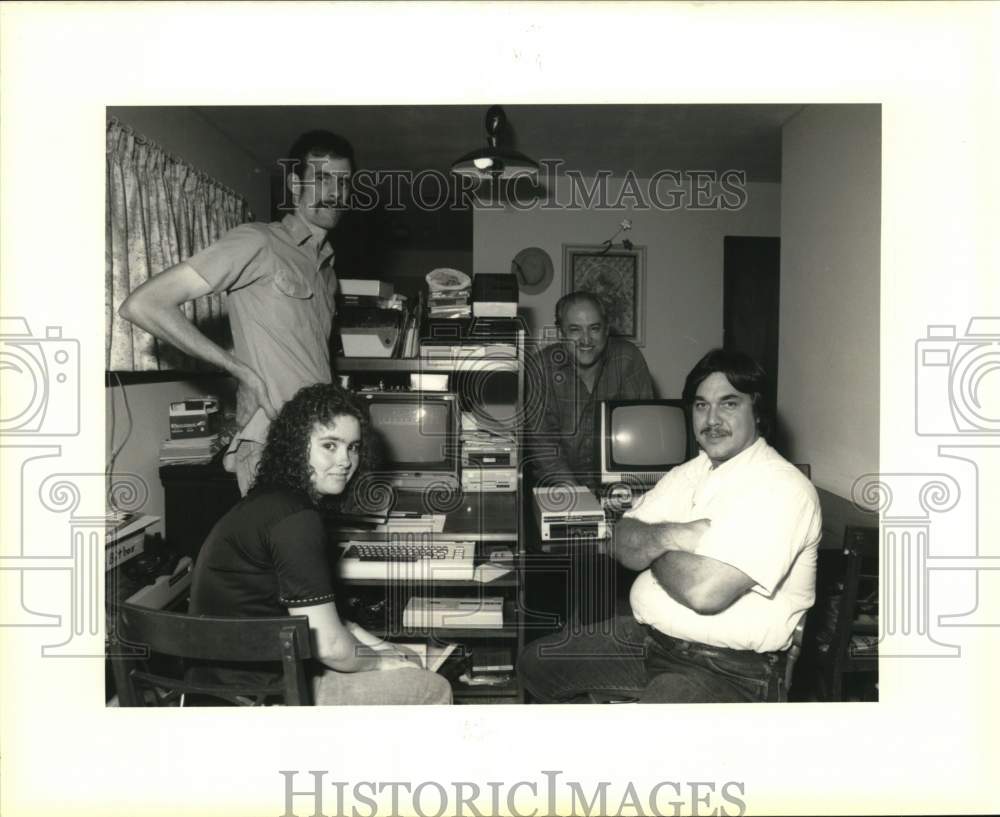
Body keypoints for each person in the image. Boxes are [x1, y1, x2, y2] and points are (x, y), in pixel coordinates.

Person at [517, 349, 821, 703]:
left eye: (729, 404)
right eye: (701, 405)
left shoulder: (783, 487)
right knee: (536, 663)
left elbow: (704, 592)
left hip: (730, 669)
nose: (712, 419)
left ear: (757, 410)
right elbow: (621, 540)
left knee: (653, 729)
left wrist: (651, 544)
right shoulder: (692, 471)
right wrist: (676, 535)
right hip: (649, 640)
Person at [119, 130, 353, 495]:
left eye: (344, 181)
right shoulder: (258, 241)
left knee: (304, 550)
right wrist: (239, 370)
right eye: (323, 179)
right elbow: (145, 304)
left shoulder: (327, 271)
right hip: (275, 445)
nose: (336, 193)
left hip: (321, 444)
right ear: (295, 184)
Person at [188, 382, 452, 705]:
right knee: (433, 688)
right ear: (298, 446)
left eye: (353, 447)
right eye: (330, 445)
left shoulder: (272, 500)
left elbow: (326, 622)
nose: (345, 460)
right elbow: (330, 647)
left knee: (403, 661)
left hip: (224, 686)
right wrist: (383, 662)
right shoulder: (296, 520)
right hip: (257, 699)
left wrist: (387, 649)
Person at [528, 291, 654, 489]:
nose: (586, 340)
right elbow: (543, 446)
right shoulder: (540, 368)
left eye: (594, 328)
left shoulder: (628, 359)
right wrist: (578, 497)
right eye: (575, 330)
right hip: (559, 490)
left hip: (621, 488)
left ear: (606, 329)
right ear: (561, 333)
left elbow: (644, 433)